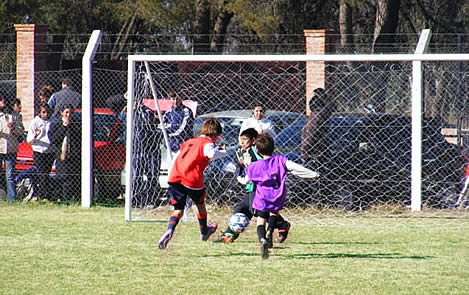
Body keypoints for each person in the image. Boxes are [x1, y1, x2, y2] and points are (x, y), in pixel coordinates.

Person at [237, 134, 319, 259]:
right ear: (273, 148)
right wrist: (313, 174)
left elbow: (245, 181)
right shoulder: (280, 161)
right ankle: (270, 231)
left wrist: (239, 171)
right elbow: (296, 168)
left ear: (257, 151)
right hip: (277, 195)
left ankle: (262, 239)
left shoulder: (254, 166)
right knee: (274, 213)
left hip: (262, 197)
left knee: (260, 219)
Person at [158, 117, 227, 250]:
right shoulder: (207, 142)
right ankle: (204, 232)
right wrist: (224, 152)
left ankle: (170, 230)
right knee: (200, 205)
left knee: (178, 210)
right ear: (214, 133)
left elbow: (177, 155)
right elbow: (210, 154)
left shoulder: (189, 142)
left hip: (175, 177)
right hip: (191, 178)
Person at [213, 128, 291, 244]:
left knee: (252, 210)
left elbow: (263, 165)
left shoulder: (257, 152)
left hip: (260, 188)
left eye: (245, 139)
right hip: (251, 187)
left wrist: (248, 165)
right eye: (241, 139)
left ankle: (231, 235)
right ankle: (230, 234)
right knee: (246, 209)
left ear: (254, 141)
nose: (242, 142)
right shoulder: (243, 151)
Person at [48, 104, 81, 201]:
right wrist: (63, 127)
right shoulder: (56, 124)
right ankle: (63, 199)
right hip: (61, 155)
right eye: (66, 112)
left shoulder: (76, 124)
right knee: (63, 178)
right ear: (61, 113)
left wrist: (71, 126)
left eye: (70, 112)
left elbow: (79, 137)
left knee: (74, 179)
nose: (68, 115)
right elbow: (54, 139)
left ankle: (75, 199)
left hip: (74, 155)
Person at [26, 104, 56, 200]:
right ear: (39, 112)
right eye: (43, 112)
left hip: (50, 151)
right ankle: (43, 195)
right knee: (42, 173)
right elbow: (29, 140)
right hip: (38, 150)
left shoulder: (52, 122)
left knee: (46, 173)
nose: (46, 114)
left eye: (47, 112)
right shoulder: (35, 122)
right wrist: (36, 135)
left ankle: (45, 194)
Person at [0, 95, 23, 202]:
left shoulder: (14, 115)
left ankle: (11, 198)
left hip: (11, 148)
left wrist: (13, 128)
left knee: (9, 175)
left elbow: (21, 131)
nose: (2, 101)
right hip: (0, 146)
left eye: (3, 99)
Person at [161, 91, 194, 155]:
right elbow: (161, 125)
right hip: (170, 146)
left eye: (177, 99)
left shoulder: (186, 111)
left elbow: (182, 128)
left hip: (183, 146)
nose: (175, 101)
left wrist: (168, 131)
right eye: (173, 99)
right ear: (170, 100)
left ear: (181, 99)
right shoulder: (168, 112)